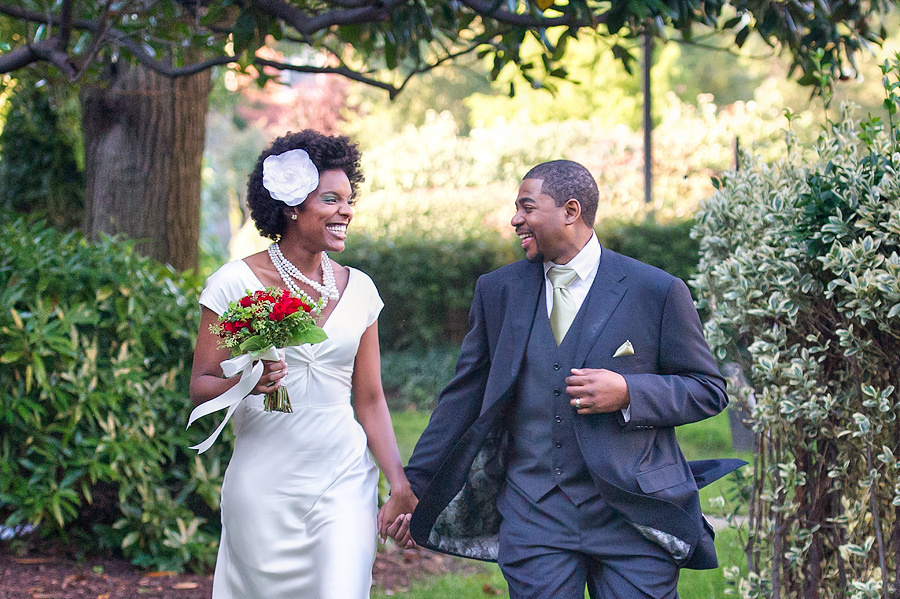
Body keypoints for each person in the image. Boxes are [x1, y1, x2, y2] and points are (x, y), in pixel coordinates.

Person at [403, 160, 743, 598]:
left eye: (527, 207)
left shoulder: (655, 290)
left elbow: (708, 389)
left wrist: (628, 393)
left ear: (570, 210)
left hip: (633, 516)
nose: (515, 220)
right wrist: (413, 484)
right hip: (534, 517)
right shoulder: (498, 291)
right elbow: (463, 397)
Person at [189, 130, 416, 599]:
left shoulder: (361, 290)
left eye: (349, 200)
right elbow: (201, 384)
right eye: (331, 200)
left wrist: (399, 482)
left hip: (343, 477)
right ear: (293, 207)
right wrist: (248, 383)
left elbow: (370, 398)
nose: (346, 211)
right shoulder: (233, 283)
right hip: (264, 482)